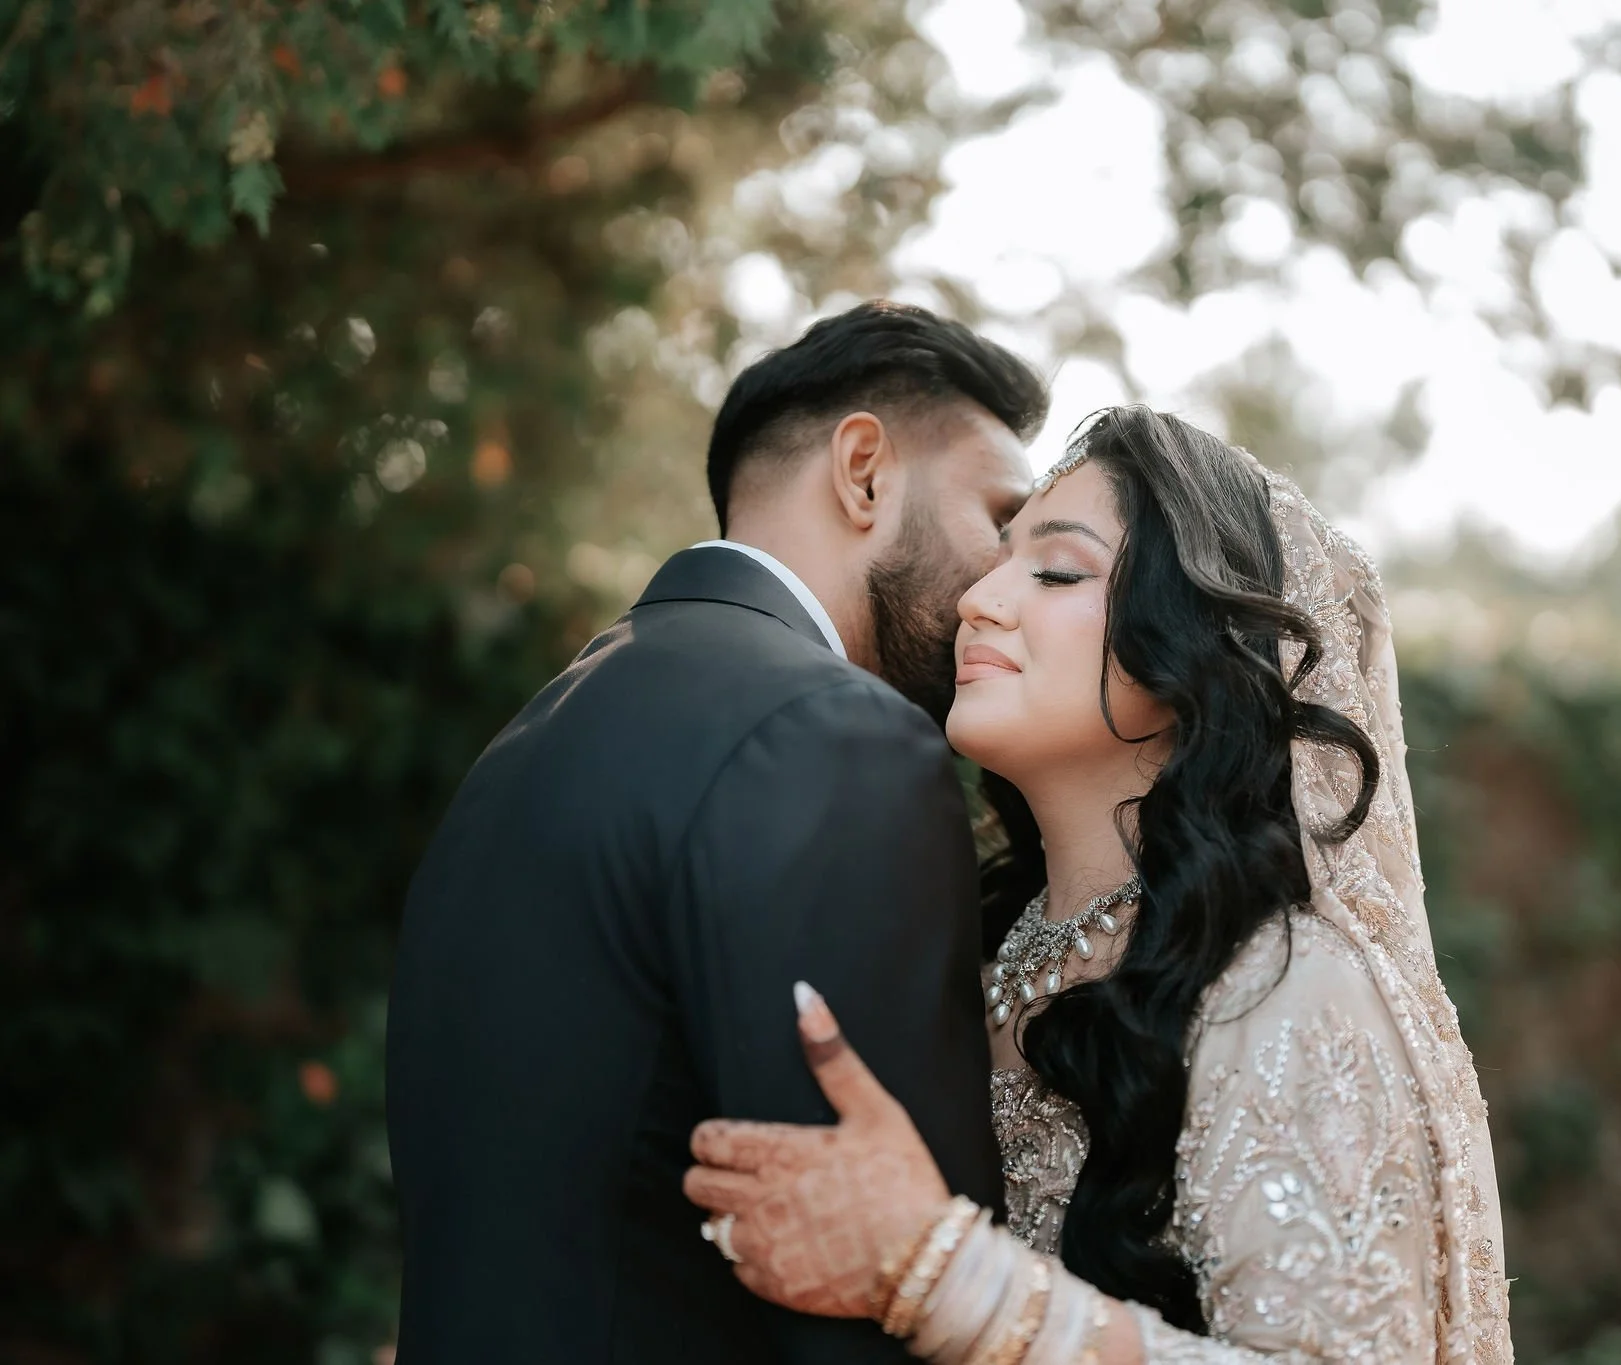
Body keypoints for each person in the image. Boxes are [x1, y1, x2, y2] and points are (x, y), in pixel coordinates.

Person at [682, 406, 1514, 1364]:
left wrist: (938, 1271)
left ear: (1187, 647)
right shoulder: (983, 945)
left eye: (1057, 570)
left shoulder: (1285, 988)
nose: (977, 600)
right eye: (997, 561)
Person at [385, 301, 1048, 1363]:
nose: (1006, 581)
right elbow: (863, 1285)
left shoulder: (534, 735)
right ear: (864, 471)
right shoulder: (835, 736)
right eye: (999, 518)